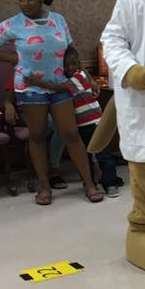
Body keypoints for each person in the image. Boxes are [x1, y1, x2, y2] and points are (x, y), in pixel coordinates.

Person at [0, 0, 103, 206]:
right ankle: (44, 187)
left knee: (70, 133)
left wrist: (88, 78)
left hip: (60, 85)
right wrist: (14, 58)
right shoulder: (12, 24)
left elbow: (70, 54)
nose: (25, 3)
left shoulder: (58, 20)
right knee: (37, 136)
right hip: (30, 89)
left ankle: (89, 184)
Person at [28, 47, 123, 197]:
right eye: (66, 65)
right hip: (81, 126)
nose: (70, 68)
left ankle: (110, 183)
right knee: (87, 156)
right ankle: (91, 182)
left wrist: (38, 83)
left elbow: (59, 87)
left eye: (73, 64)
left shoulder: (79, 77)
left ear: (78, 64)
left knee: (103, 155)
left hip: (95, 123)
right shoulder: (74, 76)